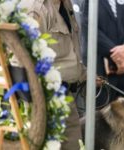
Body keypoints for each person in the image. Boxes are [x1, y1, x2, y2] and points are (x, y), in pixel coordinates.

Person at [20, 0, 86, 149]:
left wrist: (84, 74)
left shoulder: (65, 5)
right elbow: (24, 58)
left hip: (64, 95)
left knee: (74, 145)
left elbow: (69, 52)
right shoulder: (35, 9)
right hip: (45, 98)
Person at [82, 0, 124, 103]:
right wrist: (117, 55)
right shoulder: (90, 2)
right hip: (103, 72)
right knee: (102, 114)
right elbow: (90, 29)